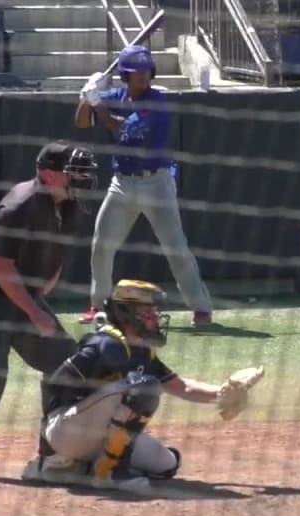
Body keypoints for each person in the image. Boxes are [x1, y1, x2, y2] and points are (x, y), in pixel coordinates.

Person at [21, 279, 263, 492]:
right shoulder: (105, 344)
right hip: (66, 431)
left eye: (154, 313)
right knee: (144, 387)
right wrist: (48, 448)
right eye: (148, 314)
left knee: (167, 464)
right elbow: (54, 382)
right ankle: (103, 471)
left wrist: (223, 392)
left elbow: (182, 387)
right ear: (127, 314)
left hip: (96, 434)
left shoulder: (143, 352)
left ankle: (82, 467)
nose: (155, 319)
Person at [0, 142, 99, 480]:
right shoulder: (19, 205)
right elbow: (0, 267)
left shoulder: (69, 205)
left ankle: (54, 451)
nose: (82, 177)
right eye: (74, 170)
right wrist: (35, 313)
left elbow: (57, 253)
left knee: (67, 363)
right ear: (49, 173)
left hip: (23, 293)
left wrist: (41, 292)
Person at [74, 44, 214, 327]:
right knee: (101, 245)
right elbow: (81, 123)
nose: (144, 76)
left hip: (156, 183)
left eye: (147, 70)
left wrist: (97, 103)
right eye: (137, 71)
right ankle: (97, 305)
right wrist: (86, 96)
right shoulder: (117, 95)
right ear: (125, 74)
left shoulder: (157, 101)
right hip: (122, 183)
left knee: (176, 247)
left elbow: (121, 129)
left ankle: (201, 308)